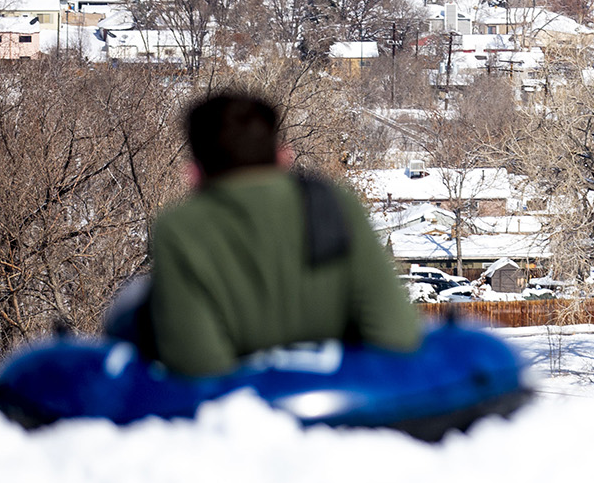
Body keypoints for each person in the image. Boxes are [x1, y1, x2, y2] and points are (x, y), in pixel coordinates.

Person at [128, 91, 422, 377]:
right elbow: (396, 332)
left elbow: (196, 363)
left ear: (194, 172)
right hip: (350, 406)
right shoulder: (335, 204)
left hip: (240, 414)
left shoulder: (181, 228)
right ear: (283, 156)